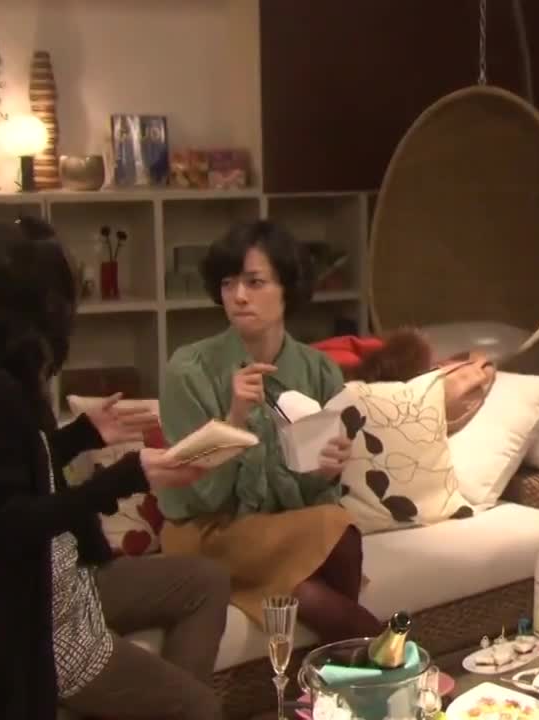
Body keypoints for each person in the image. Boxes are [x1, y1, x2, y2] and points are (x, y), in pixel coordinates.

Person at [0, 218, 232, 720]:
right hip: (25, 616)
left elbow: (6, 472)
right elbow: (9, 522)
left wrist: (82, 435)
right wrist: (127, 476)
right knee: (201, 709)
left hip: (60, 579)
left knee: (204, 581)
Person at [156, 220, 381, 642]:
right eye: (228, 283)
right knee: (330, 549)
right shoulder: (188, 370)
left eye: (254, 282)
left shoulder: (319, 370)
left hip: (276, 533)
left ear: (287, 288)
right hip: (207, 533)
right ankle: (400, 660)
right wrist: (235, 420)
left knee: (330, 549)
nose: (238, 296)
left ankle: (343, 673)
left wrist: (325, 473)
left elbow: (315, 499)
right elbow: (201, 496)